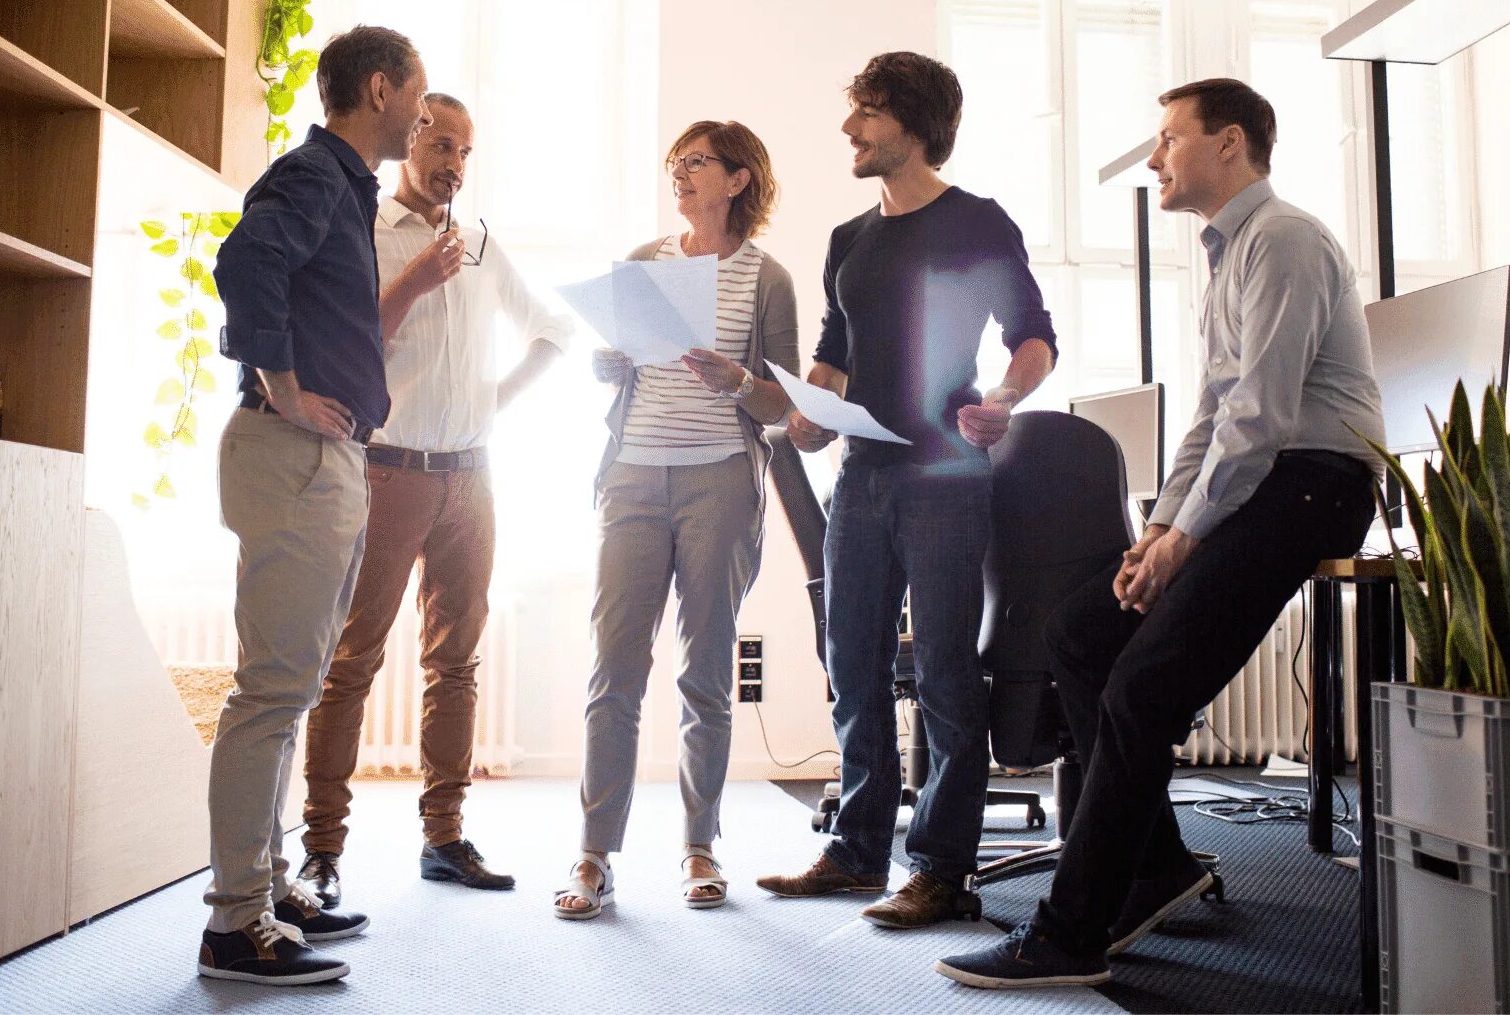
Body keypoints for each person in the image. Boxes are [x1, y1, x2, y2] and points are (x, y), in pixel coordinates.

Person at [936, 78, 1384, 989]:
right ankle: (1158, 867)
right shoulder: (1230, 256)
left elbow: (1258, 419)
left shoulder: (1286, 240)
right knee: (1083, 632)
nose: (1153, 158)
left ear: (1228, 143)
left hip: (1315, 484)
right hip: (1264, 480)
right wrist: (1162, 528)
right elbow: (1212, 416)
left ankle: (1069, 934)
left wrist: (1186, 538)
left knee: (1141, 687)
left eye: (1168, 138)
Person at [756, 52, 1057, 929]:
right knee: (850, 663)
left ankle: (939, 868)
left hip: (946, 479)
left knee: (946, 676)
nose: (850, 129)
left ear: (916, 125)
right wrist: (813, 412)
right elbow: (834, 352)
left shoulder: (977, 224)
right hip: (863, 474)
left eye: (869, 114)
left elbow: (1032, 336)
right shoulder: (850, 241)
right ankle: (856, 853)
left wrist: (1004, 397)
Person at [294, 93, 574, 908]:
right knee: (352, 662)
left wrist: (494, 401)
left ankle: (444, 837)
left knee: (455, 664)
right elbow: (346, 343)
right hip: (388, 472)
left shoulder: (482, 244)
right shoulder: (368, 232)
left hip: (472, 478)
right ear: (410, 137)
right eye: (441, 142)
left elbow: (552, 332)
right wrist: (416, 279)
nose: (454, 162)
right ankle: (321, 848)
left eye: (466, 150)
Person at [197, 25, 430, 987]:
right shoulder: (314, 176)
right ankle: (232, 924)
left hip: (322, 457)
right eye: (417, 97)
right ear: (380, 90)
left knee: (289, 689)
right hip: (293, 449)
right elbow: (245, 266)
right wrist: (285, 386)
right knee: (268, 695)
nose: (421, 116)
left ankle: (269, 885)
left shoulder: (342, 185)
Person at [553, 120, 799, 920]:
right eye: (675, 164)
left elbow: (784, 403)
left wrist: (737, 379)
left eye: (697, 163)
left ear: (737, 179)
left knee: (704, 671)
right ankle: (594, 856)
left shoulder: (768, 279)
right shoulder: (642, 263)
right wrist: (606, 364)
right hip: (633, 476)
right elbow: (613, 364)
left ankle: (700, 845)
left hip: (720, 484)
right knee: (614, 668)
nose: (681, 176)